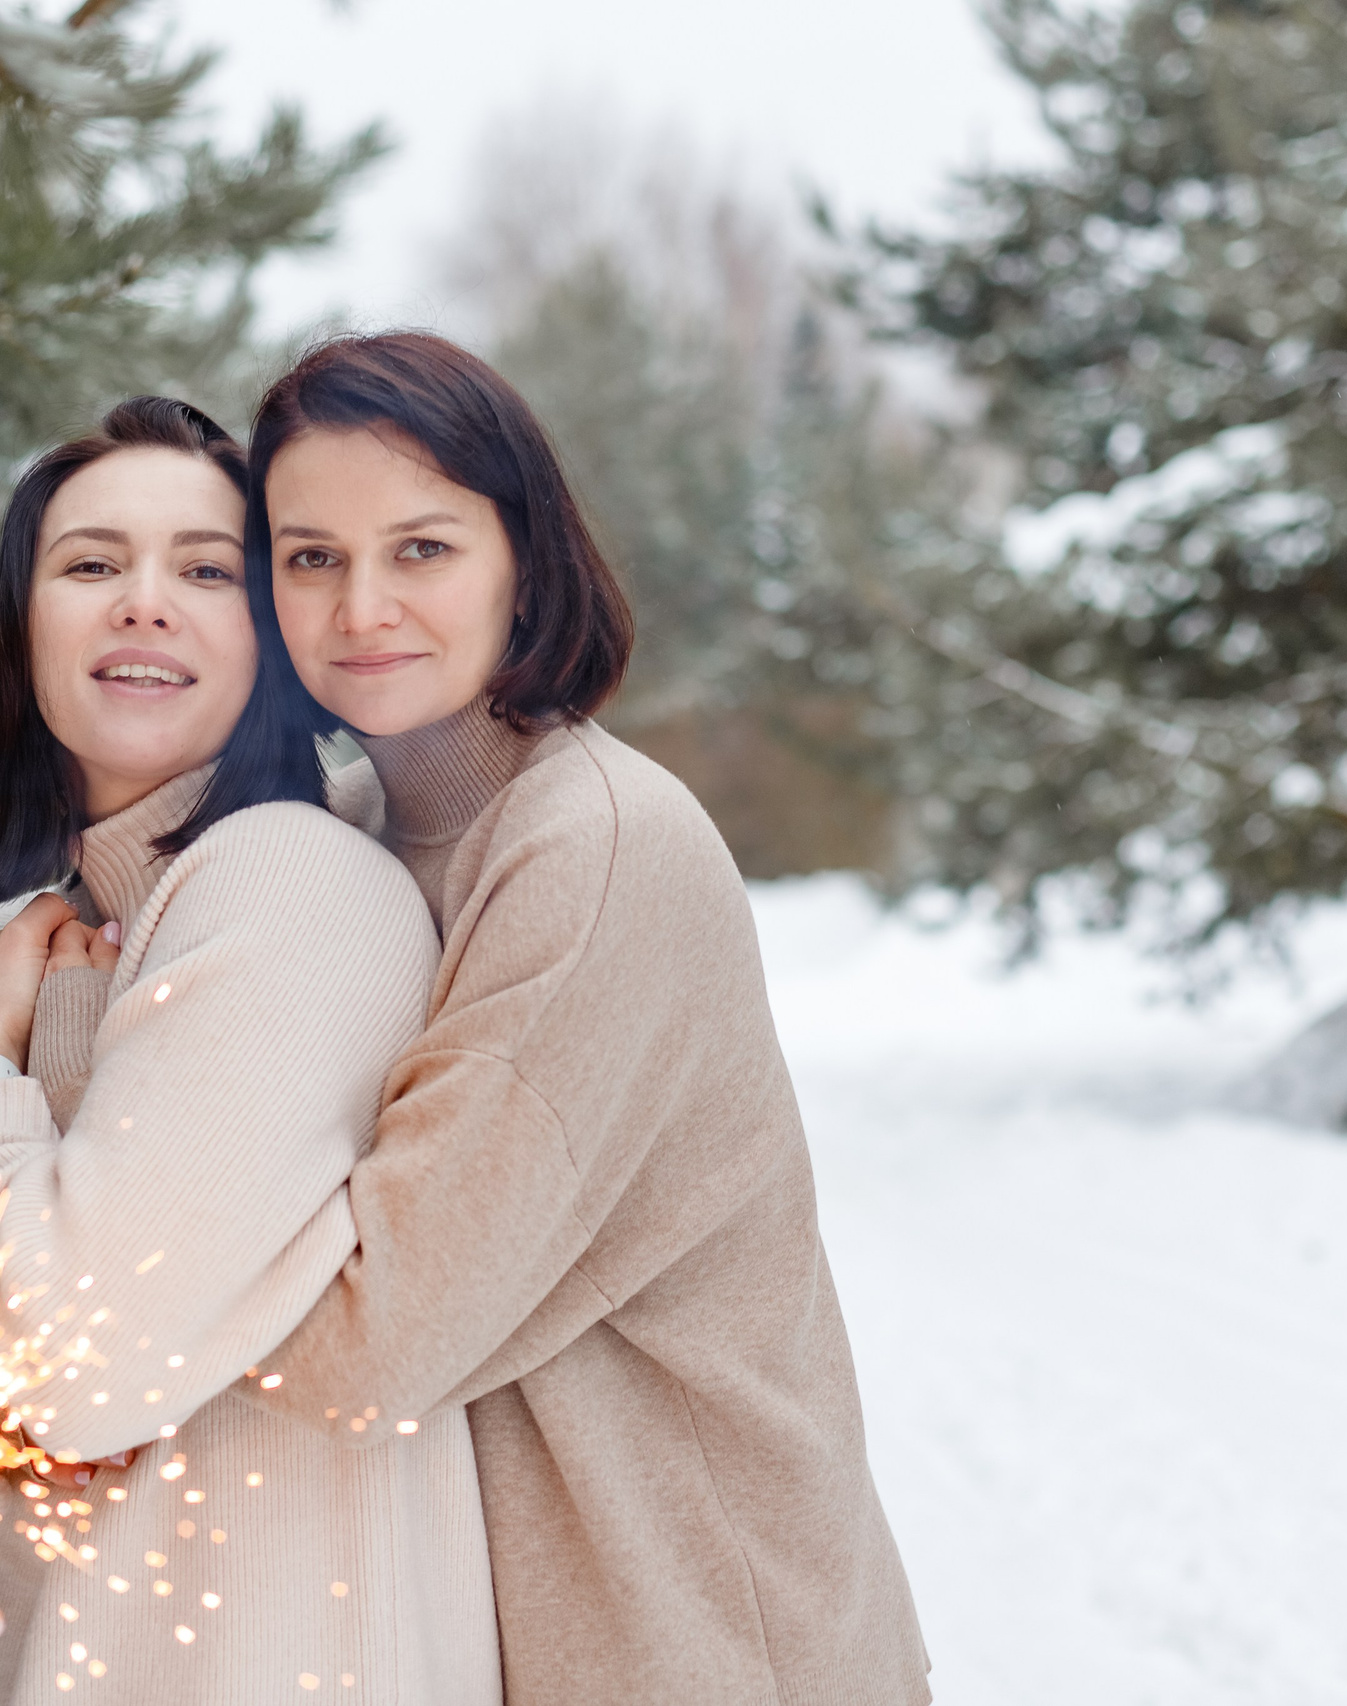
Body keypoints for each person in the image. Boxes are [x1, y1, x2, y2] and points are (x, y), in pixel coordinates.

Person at [230, 333, 932, 1703]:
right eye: (310, 556)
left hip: (701, 1642)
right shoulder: (364, 839)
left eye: (421, 548)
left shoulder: (596, 850)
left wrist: (62, 1355)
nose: (362, 601)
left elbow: (376, 1335)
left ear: (524, 562)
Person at [0, 397, 500, 1705]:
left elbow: (73, 1363)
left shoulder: (295, 886)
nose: (142, 601)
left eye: (204, 568)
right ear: (23, 634)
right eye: (88, 564)